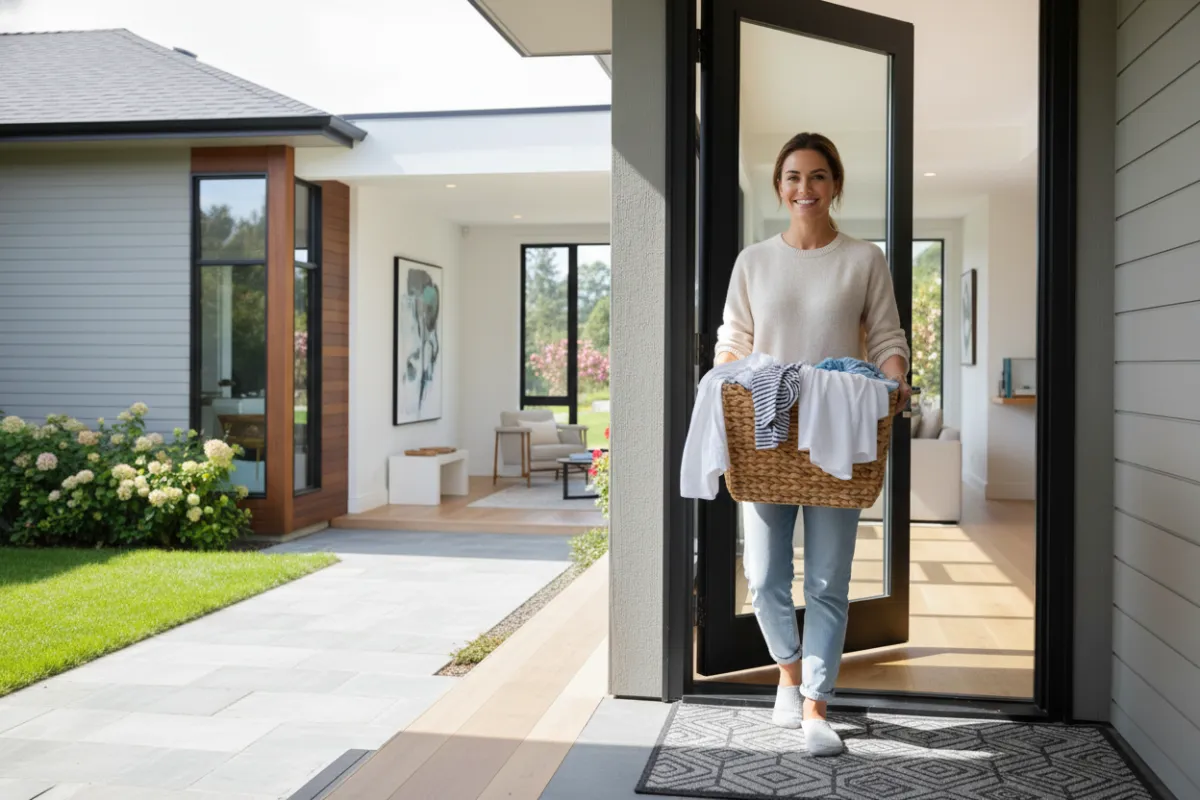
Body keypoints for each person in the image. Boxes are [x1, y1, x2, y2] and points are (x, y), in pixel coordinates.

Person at [713, 132, 911, 756]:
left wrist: (896, 377)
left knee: (827, 579)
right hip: (766, 436)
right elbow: (735, 338)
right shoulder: (754, 261)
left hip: (837, 434)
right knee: (765, 575)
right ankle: (789, 676)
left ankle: (818, 709)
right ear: (780, 186)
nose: (806, 188)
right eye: (794, 177)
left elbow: (886, 337)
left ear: (836, 186)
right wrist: (723, 377)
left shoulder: (864, 259)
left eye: (819, 176)